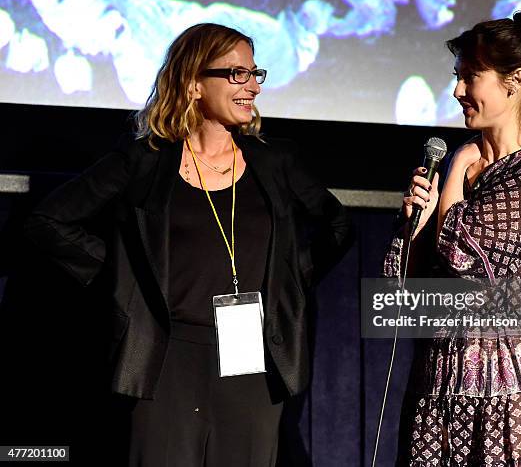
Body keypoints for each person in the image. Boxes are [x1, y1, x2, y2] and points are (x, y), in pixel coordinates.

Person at [24, 23, 353, 466]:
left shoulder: (275, 162)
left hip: (252, 362)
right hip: (165, 362)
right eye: (237, 74)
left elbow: (338, 226)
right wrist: (126, 274)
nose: (252, 86)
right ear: (194, 82)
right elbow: (48, 220)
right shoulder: (143, 161)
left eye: (255, 74)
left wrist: (290, 281)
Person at [384, 13, 521, 465]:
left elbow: (464, 253)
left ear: (514, 82)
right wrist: (414, 222)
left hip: (507, 378)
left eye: (470, 77)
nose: (457, 91)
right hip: (438, 380)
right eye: (458, 77)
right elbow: (398, 292)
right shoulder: (457, 174)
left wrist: (454, 170)